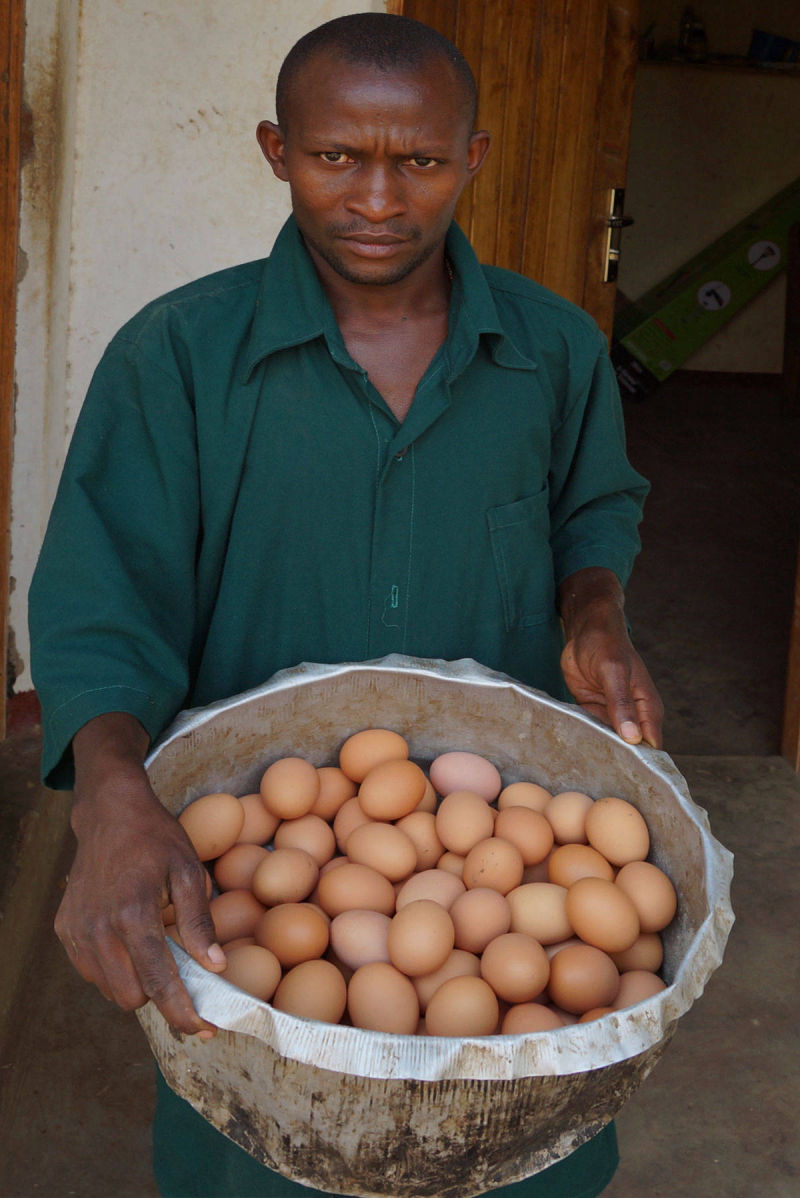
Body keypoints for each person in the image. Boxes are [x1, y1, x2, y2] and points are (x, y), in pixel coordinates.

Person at [29, 12, 664, 1197]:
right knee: (261, 1151)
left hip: (496, 850)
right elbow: (101, 604)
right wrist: (111, 795)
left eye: (417, 161)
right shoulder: (176, 357)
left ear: (472, 157)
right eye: (335, 157)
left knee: (516, 1142)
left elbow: (593, 511)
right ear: (277, 150)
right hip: (255, 859)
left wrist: (593, 610)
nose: (377, 196)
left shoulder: (554, 350)